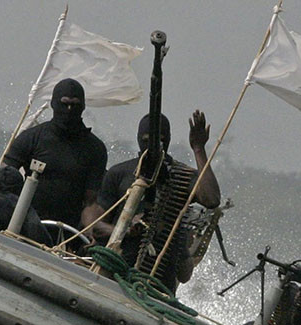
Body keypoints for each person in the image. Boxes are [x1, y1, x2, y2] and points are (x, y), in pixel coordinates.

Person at [81, 110, 221, 293]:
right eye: (147, 139)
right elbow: (95, 226)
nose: (154, 145)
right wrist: (126, 229)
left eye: (161, 139)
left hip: (160, 279)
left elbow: (211, 199)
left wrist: (199, 149)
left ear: (168, 139)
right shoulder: (120, 173)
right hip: (118, 273)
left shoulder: (183, 176)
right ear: (139, 138)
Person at [3, 78, 108, 230]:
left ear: (83, 106)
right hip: (26, 223)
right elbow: (4, 177)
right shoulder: (31, 138)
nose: (69, 110)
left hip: (68, 230)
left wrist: (89, 230)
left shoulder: (95, 149)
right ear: (53, 104)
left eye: (75, 105)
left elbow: (90, 202)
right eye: (64, 104)